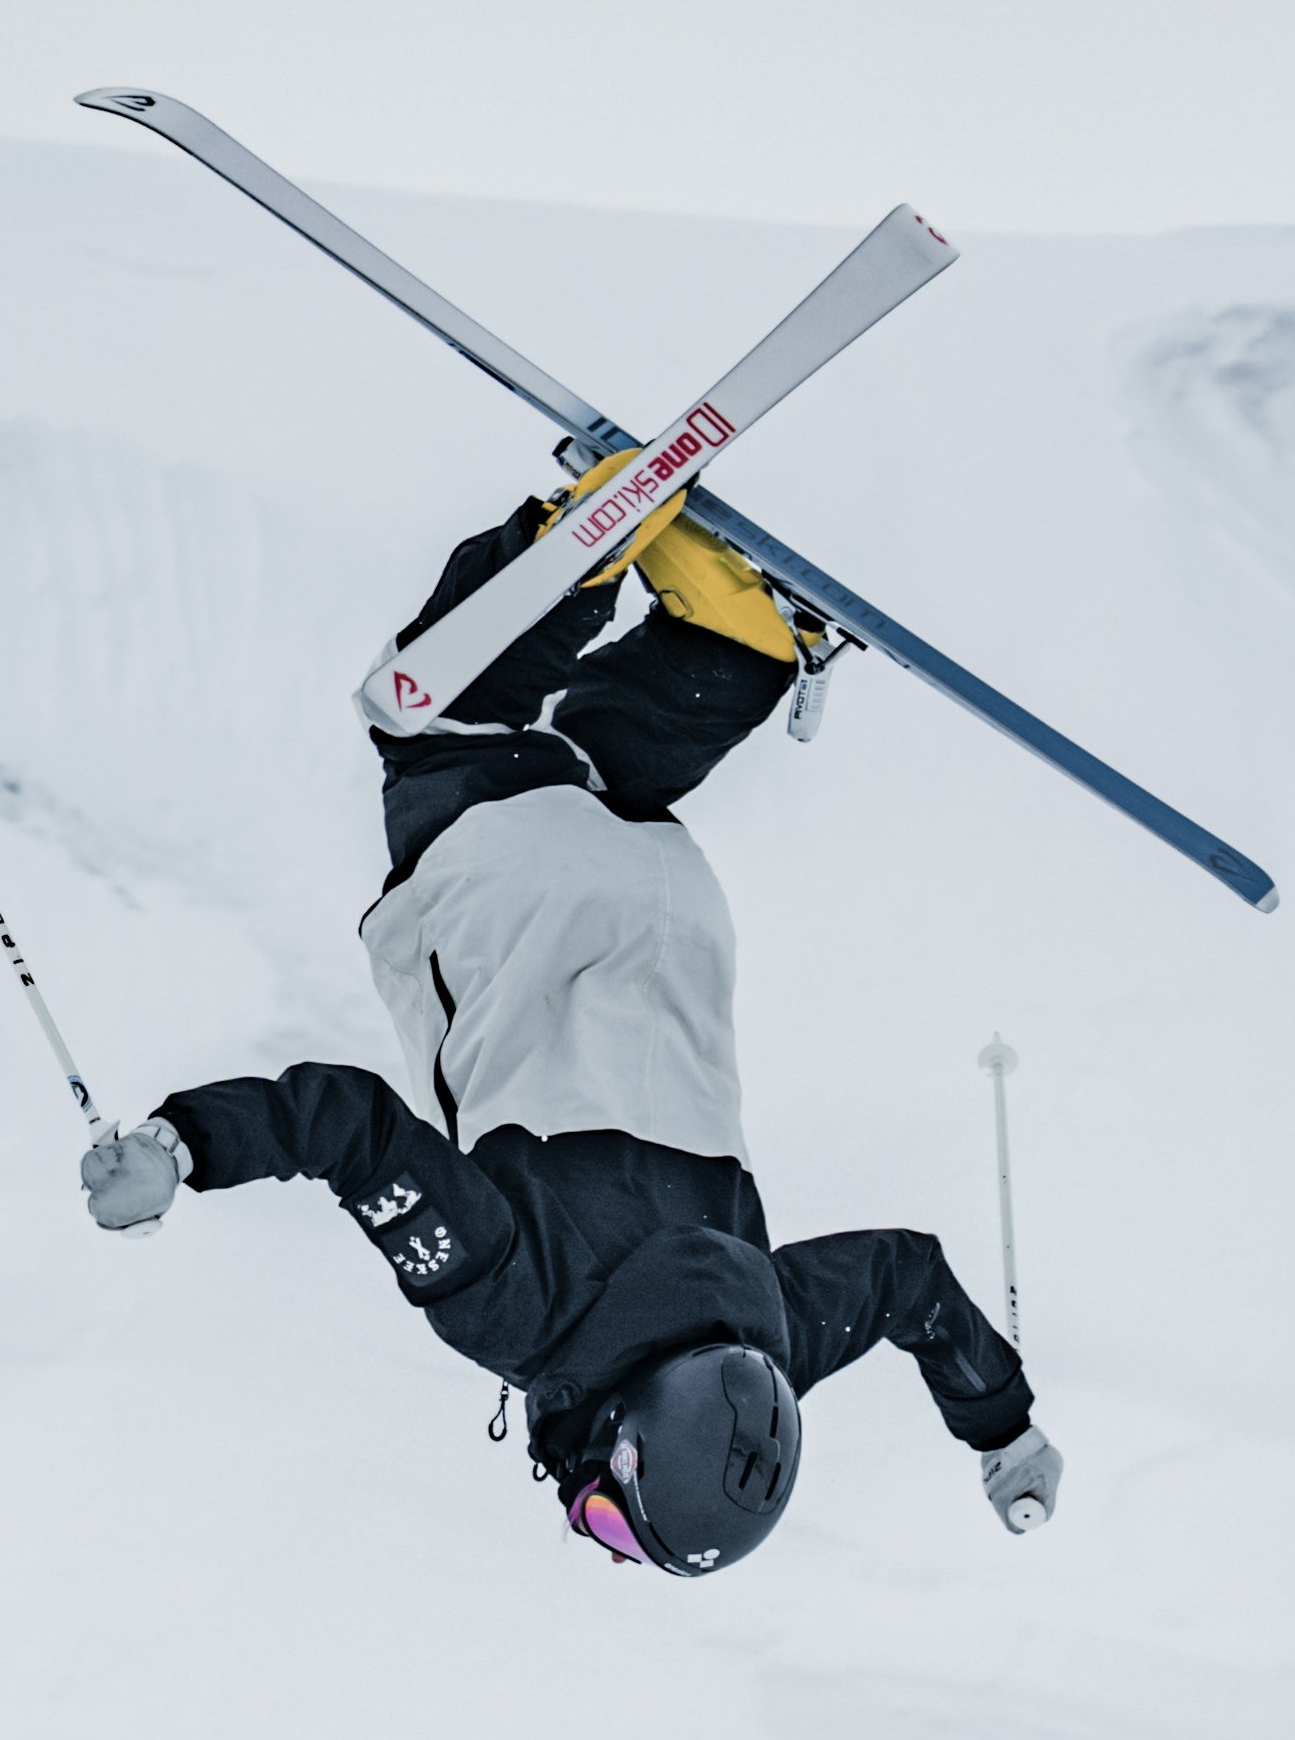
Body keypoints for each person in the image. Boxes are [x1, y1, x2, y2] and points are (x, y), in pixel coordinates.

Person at [79, 473, 1064, 1576]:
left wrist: (1003, 1426)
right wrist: (182, 1147)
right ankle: (573, 554)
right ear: (626, 1444)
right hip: (513, 887)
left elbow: (911, 1283)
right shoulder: (521, 1312)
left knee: (589, 760)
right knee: (428, 715)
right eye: (602, 1514)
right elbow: (352, 1127)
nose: (579, 1513)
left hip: (662, 895)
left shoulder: (779, 1324)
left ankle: (739, 643)